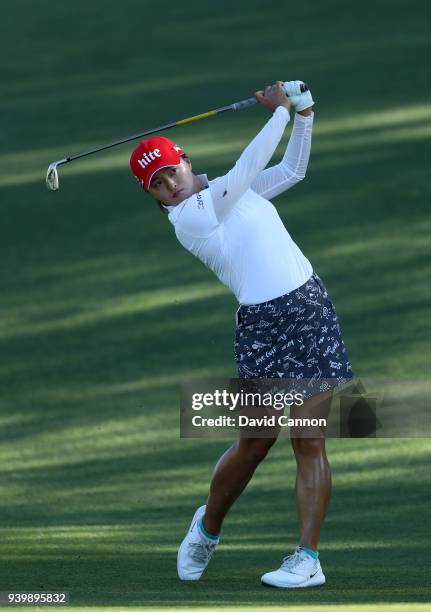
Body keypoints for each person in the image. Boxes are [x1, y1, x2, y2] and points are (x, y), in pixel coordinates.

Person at [130, 81, 353, 588]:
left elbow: (292, 170)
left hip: (310, 309)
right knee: (254, 443)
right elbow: (246, 169)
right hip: (263, 327)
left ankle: (307, 559)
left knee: (309, 440)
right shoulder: (191, 219)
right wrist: (278, 113)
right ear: (155, 196)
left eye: (172, 171)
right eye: (157, 185)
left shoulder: (228, 192)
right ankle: (207, 528)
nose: (170, 185)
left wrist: (306, 114)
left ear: (185, 160)